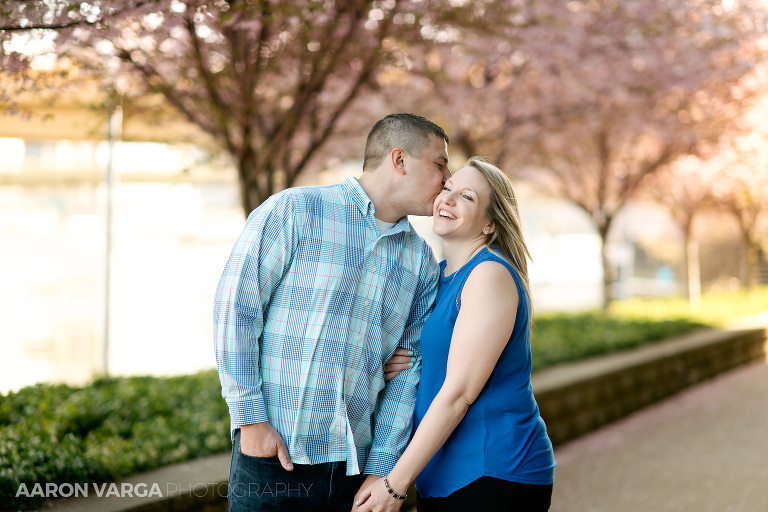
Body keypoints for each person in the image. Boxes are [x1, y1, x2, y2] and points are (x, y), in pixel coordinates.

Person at [213, 113, 451, 511]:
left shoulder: (421, 262)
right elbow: (235, 312)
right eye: (440, 164)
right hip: (273, 460)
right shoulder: (295, 210)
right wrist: (251, 422)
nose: (448, 179)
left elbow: (408, 371)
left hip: (355, 475)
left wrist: (383, 470)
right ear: (400, 160)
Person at [353, 157, 556, 512]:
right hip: (445, 471)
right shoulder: (441, 274)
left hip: (494, 470)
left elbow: (460, 391)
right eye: (447, 188)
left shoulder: (489, 275)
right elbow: (446, 350)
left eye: (467, 197)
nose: (448, 199)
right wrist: (412, 360)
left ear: (491, 223)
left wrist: (395, 484)